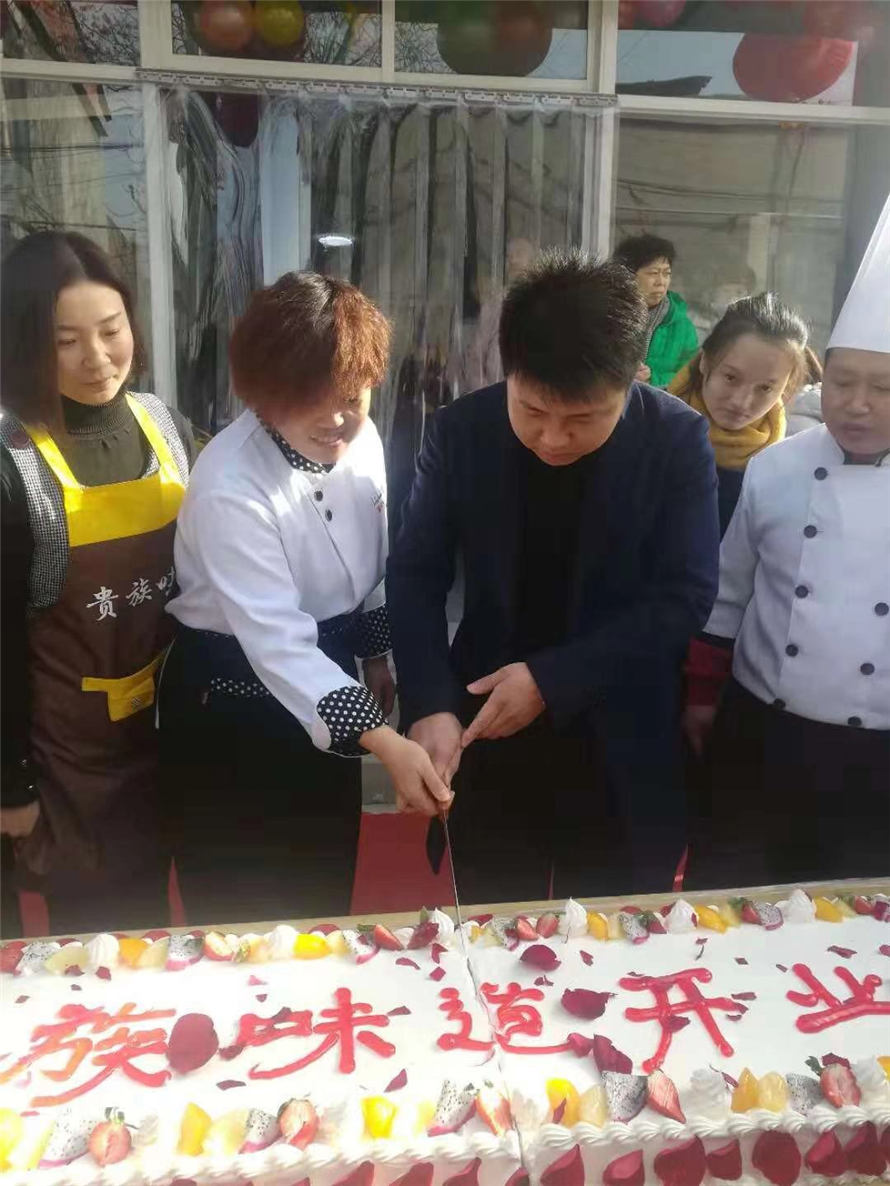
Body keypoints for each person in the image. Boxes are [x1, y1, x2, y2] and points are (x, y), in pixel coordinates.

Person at [387, 251, 720, 902]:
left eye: (583, 419)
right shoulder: (460, 433)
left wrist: (552, 678)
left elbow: (686, 594)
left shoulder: (676, 440)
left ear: (632, 379)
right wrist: (429, 704)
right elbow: (415, 573)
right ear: (508, 370)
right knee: (492, 924)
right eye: (533, 410)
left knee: (614, 930)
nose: (554, 439)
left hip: (620, 730)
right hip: (488, 727)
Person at [159, 272, 451, 925]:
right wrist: (386, 741)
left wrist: (375, 655)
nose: (335, 419)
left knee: (322, 887)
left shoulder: (362, 440)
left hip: (328, 675)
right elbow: (278, 645)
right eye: (308, 399)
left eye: (351, 395)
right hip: (231, 703)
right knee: (241, 912)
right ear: (261, 396)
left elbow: (369, 562)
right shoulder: (231, 483)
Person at [683, 197, 890, 887]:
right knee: (727, 903)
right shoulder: (776, 467)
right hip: (760, 735)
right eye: (845, 382)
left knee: (856, 918)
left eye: (883, 387)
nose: (857, 403)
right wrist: (702, 698)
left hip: (877, 757)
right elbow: (728, 598)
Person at [0, 231, 195, 937]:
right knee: (99, 955)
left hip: (169, 736)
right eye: (66, 342)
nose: (98, 358)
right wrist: (11, 783)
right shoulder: (14, 460)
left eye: (111, 331)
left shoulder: (165, 425)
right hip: (69, 765)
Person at [669, 294, 810, 535]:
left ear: (785, 388)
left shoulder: (788, 466)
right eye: (731, 377)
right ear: (705, 362)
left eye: (765, 388)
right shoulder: (651, 428)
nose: (741, 402)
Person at [613, 233, 699, 388]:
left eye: (666, 274)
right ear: (627, 276)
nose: (661, 282)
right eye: (653, 273)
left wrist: (652, 378)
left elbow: (692, 375)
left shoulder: (681, 325)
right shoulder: (607, 317)